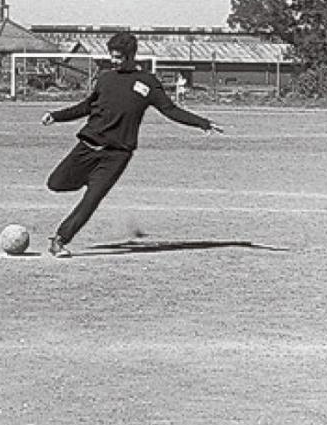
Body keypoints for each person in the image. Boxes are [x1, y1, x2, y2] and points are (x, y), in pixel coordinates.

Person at [41, 31, 223, 257]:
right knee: (55, 183)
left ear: (131, 56)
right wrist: (56, 116)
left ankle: (59, 240)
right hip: (87, 146)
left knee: (92, 199)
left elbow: (170, 110)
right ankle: (87, 178)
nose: (113, 61)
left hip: (116, 155)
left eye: (118, 57)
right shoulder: (105, 78)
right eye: (112, 56)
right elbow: (86, 106)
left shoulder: (147, 83)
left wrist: (202, 123)